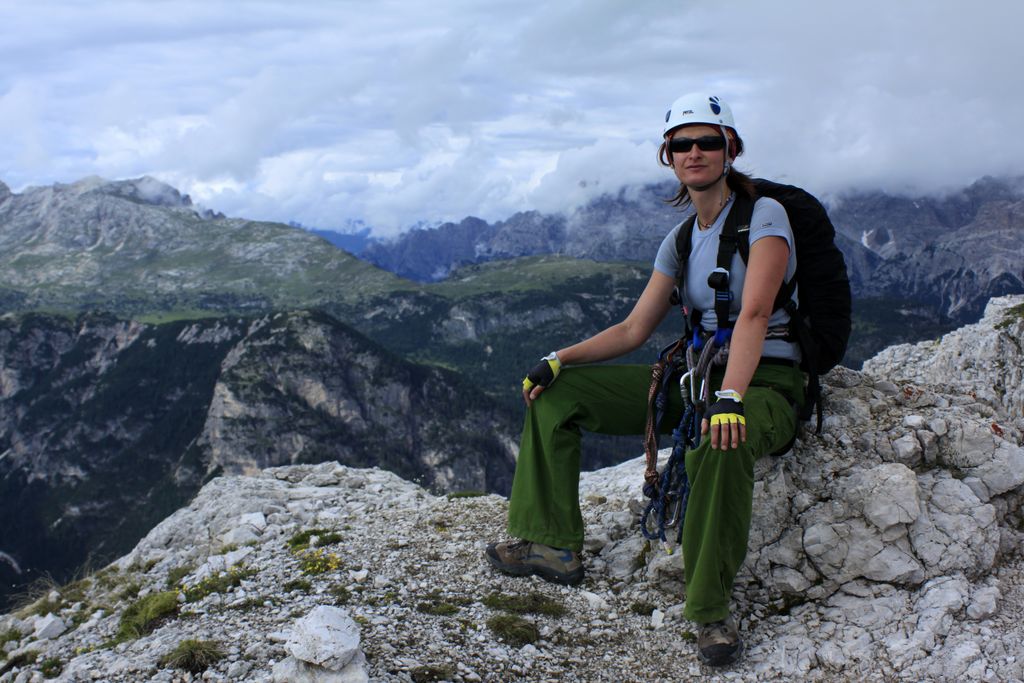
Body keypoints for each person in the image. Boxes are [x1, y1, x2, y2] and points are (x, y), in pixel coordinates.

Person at [484, 93, 806, 667]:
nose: (695, 152)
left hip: (763, 383)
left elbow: (755, 313)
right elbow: (635, 328)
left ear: (731, 148)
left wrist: (731, 397)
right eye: (682, 144)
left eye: (708, 141)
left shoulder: (766, 216)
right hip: (694, 383)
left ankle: (709, 611)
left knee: (718, 435)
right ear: (669, 156)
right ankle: (552, 544)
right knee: (558, 397)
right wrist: (558, 359)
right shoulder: (681, 240)